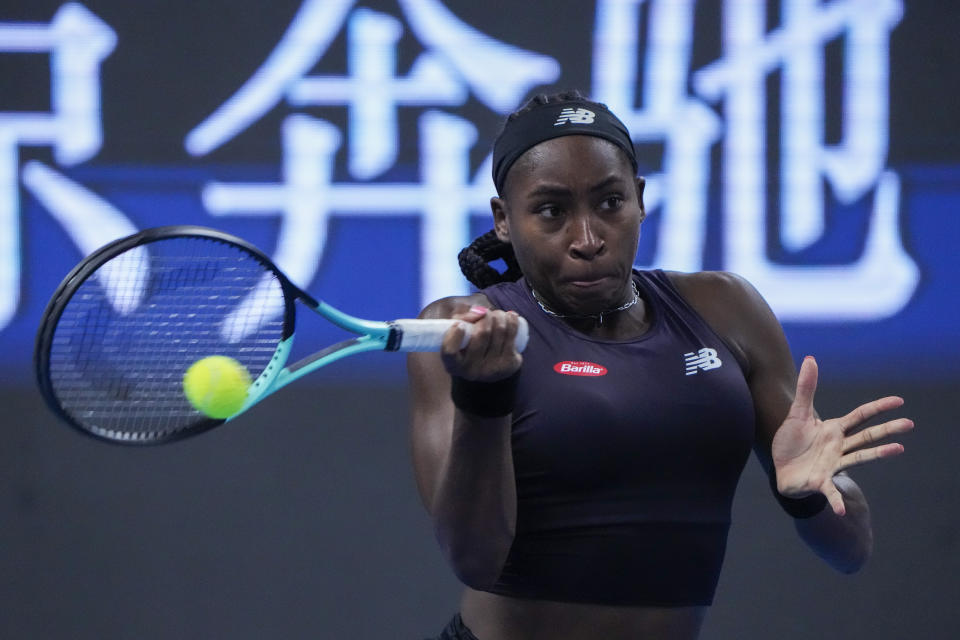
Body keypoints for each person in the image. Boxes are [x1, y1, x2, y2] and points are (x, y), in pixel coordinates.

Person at [407, 90, 913, 640]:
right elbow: (474, 560)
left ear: (640, 200)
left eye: (609, 203)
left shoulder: (726, 309)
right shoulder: (464, 328)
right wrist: (485, 397)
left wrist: (812, 492)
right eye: (551, 211)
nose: (588, 238)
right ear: (504, 220)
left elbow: (851, 551)